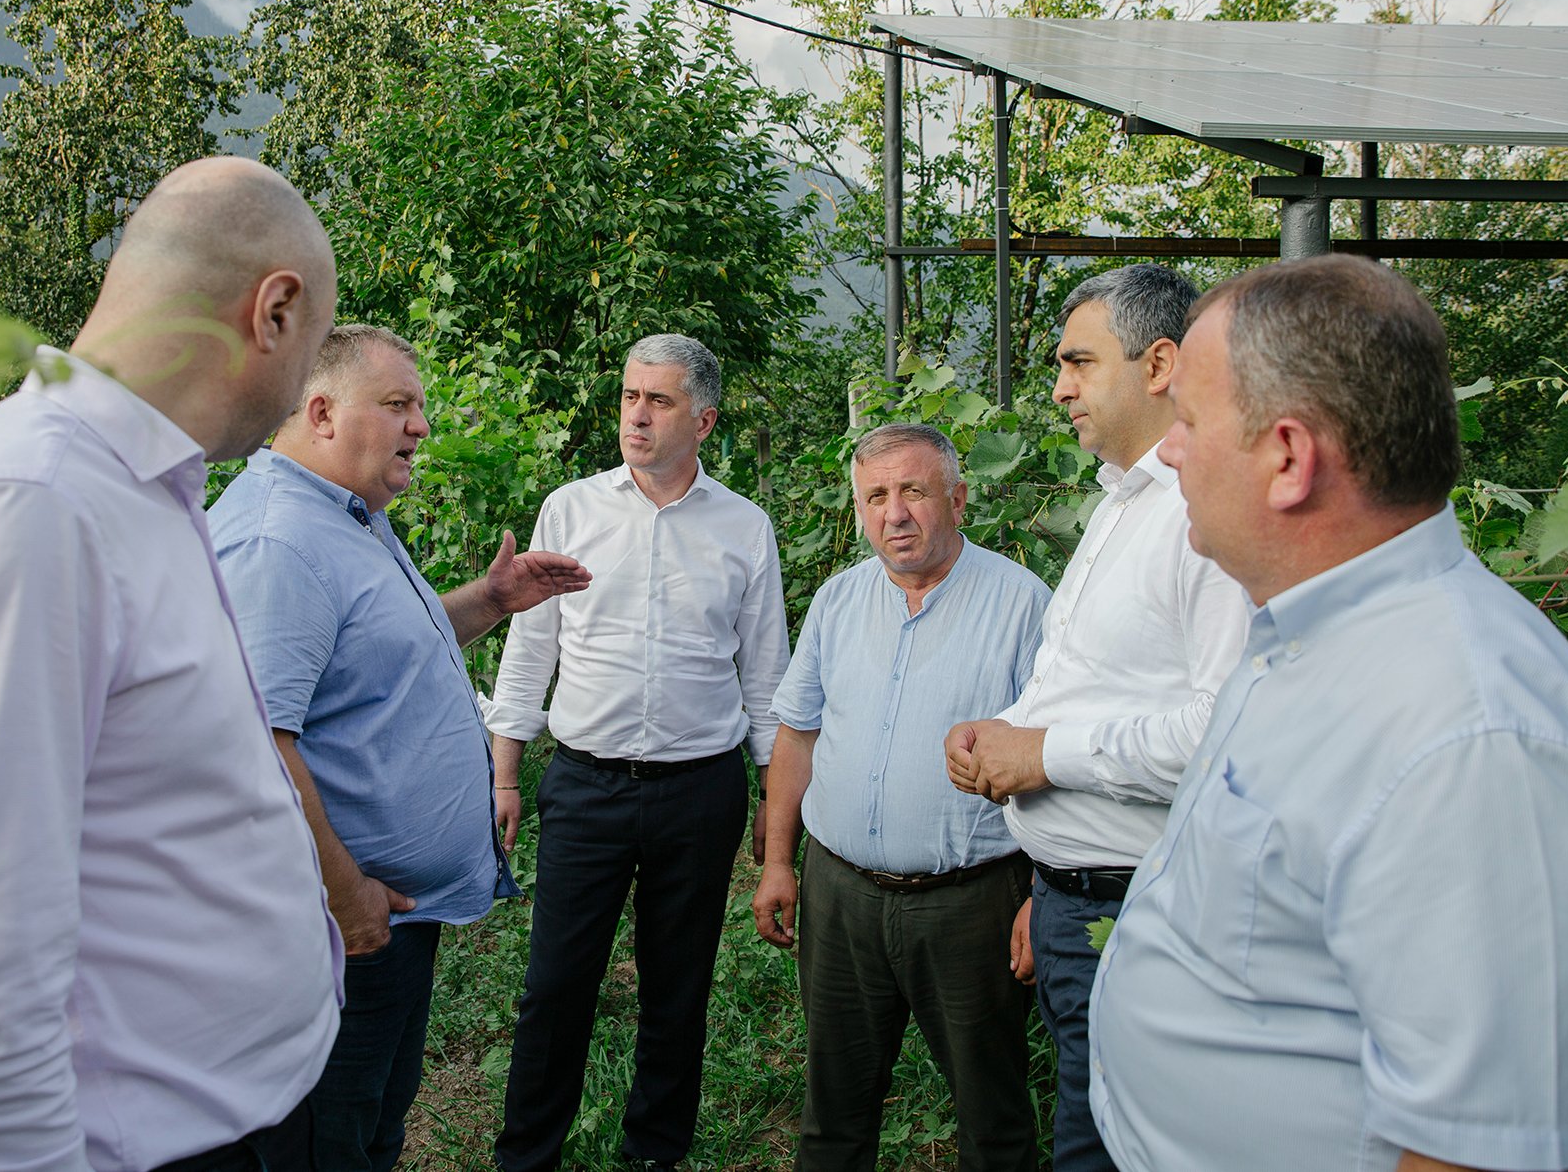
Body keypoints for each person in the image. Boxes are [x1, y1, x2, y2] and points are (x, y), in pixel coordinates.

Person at [0, 157, 345, 1170]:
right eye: (316, 347)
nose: (304, 387)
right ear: (276, 311)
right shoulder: (22, 509)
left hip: (240, 1122)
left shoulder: (137, 494)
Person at [1088, 254, 1568, 1172]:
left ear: (1289, 458)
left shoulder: (1470, 739)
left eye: (1187, 420)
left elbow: (1472, 1151)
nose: (1170, 450)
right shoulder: (1306, 630)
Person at [207, 324, 591, 1171]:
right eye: (396, 404)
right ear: (321, 412)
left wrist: (491, 599)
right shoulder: (278, 543)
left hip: (386, 923)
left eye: (418, 405)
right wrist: (346, 896)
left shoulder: (347, 517)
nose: (420, 424)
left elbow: (375, 656)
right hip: (333, 936)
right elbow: (253, 744)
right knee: (322, 1147)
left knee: (372, 1131)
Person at [943, 264, 1248, 1171]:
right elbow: (1098, 683)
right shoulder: (1123, 502)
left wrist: (1043, 754)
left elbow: (1227, 736)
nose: (1059, 388)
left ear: (1159, 364)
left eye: (1079, 362)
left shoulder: (1202, 516)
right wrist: (1003, 734)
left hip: (1141, 914)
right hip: (1077, 903)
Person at [486, 333, 790, 1172]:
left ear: (704, 419)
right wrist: (506, 771)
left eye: (658, 400)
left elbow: (767, 676)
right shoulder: (571, 510)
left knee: (677, 988)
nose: (637, 415)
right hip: (586, 786)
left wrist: (775, 802)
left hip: (700, 792)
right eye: (629, 396)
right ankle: (527, 1157)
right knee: (555, 984)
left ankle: (655, 1152)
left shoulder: (743, 527)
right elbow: (529, 650)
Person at [751, 423, 1050, 1172]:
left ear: (958, 498)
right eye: (876, 496)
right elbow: (797, 737)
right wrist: (779, 861)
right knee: (833, 1113)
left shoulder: (1023, 605)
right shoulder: (839, 600)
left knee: (992, 1117)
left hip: (971, 904)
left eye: (914, 491)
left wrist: (1044, 893)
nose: (895, 514)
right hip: (840, 897)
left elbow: (1054, 759)